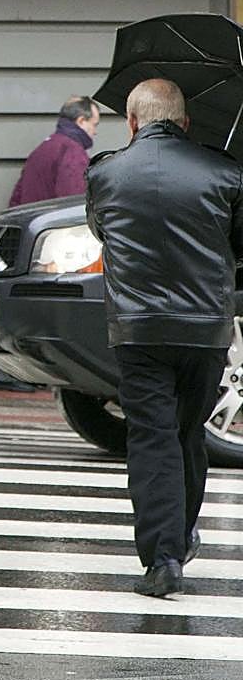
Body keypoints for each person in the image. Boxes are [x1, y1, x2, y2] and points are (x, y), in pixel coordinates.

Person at [85, 78, 243, 598]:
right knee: (188, 430)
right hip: (205, 329)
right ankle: (179, 535)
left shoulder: (105, 172)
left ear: (131, 121)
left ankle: (163, 557)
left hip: (139, 328)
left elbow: (101, 231)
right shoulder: (225, 172)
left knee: (151, 438)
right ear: (186, 121)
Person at [0, 95, 102, 393]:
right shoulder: (73, 152)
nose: (95, 131)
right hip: (52, 246)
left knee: (23, 307)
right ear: (80, 121)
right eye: (94, 123)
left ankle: (7, 370)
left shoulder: (43, 148)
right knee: (49, 313)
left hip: (26, 243)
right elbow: (74, 206)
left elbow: (16, 198)